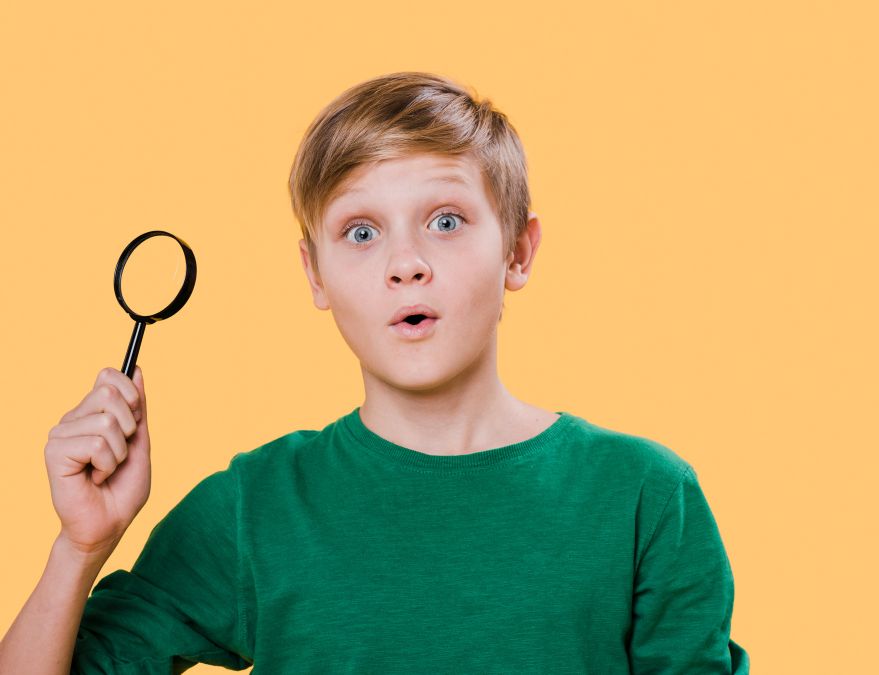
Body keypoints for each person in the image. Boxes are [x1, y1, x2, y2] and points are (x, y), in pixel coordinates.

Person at [0, 72, 749, 674]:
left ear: (518, 251)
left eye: (446, 220)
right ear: (315, 274)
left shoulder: (647, 497)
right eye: (361, 232)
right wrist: (80, 548)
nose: (405, 263)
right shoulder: (254, 506)